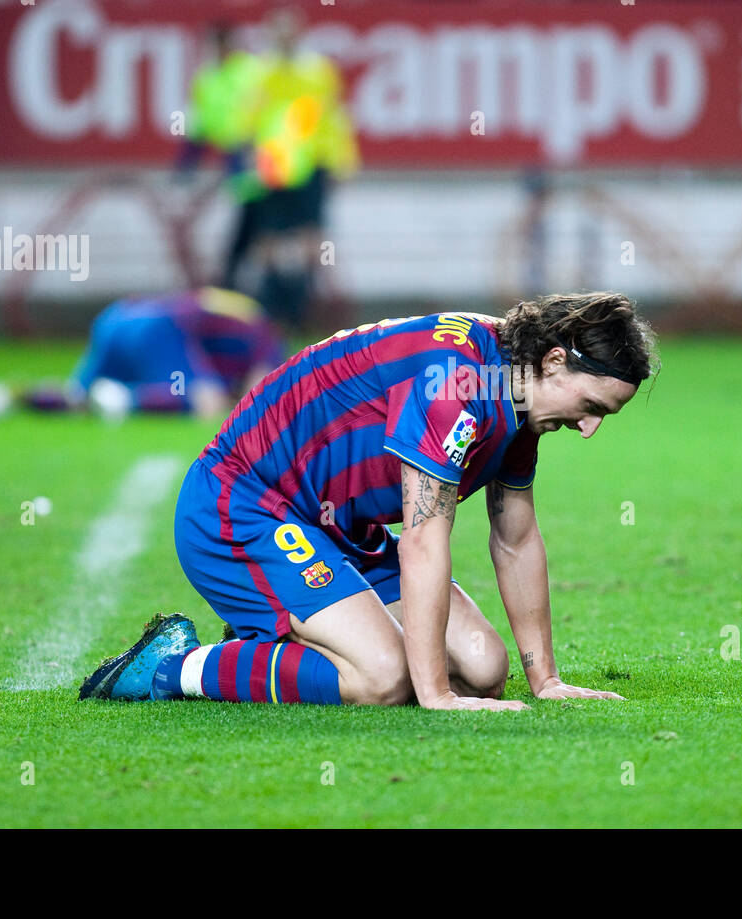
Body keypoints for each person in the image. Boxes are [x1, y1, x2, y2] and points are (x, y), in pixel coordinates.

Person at [79, 292, 659, 710]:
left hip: (334, 528)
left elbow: (516, 537)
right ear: (555, 362)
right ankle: (171, 666)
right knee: (383, 679)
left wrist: (546, 680)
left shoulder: (519, 395)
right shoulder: (456, 383)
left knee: (483, 669)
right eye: (593, 408)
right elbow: (424, 538)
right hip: (242, 506)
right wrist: (431, 695)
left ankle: (291, 633)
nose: (588, 430)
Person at [0, 288, 286, 423]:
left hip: (116, 320)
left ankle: (14, 394)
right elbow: (194, 308)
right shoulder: (263, 336)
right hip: (156, 326)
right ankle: (128, 399)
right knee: (207, 403)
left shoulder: (247, 333)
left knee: (77, 397)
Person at [237, 7, 361, 329]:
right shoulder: (260, 73)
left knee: (310, 236)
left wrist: (340, 160)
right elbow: (249, 120)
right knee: (268, 236)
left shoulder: (316, 72)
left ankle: (300, 304)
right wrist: (248, 158)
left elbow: (333, 118)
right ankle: (270, 306)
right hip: (272, 165)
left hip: (308, 164)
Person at [175, 23, 268, 289]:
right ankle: (240, 285)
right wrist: (187, 163)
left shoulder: (252, 72)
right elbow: (201, 124)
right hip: (237, 161)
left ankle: (236, 282)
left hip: (264, 158)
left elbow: (267, 114)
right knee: (250, 224)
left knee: (259, 227)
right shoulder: (208, 78)